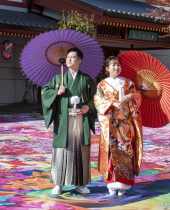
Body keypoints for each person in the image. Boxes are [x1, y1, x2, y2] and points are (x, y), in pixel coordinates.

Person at [40, 47, 96, 195]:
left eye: (73, 57)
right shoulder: (59, 79)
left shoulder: (86, 79)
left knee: (80, 150)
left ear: (79, 60)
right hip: (64, 119)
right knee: (61, 150)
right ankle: (59, 183)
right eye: (68, 57)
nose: (69, 59)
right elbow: (45, 91)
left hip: (80, 118)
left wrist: (87, 107)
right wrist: (56, 92)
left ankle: (81, 184)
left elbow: (95, 98)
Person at [94, 56, 143, 196]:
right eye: (113, 65)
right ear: (107, 68)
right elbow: (97, 100)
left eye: (118, 65)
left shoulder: (128, 83)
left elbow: (138, 97)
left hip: (126, 124)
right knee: (111, 150)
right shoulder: (102, 84)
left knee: (126, 151)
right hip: (110, 123)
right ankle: (112, 182)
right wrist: (112, 103)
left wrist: (132, 97)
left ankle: (124, 183)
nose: (116, 68)